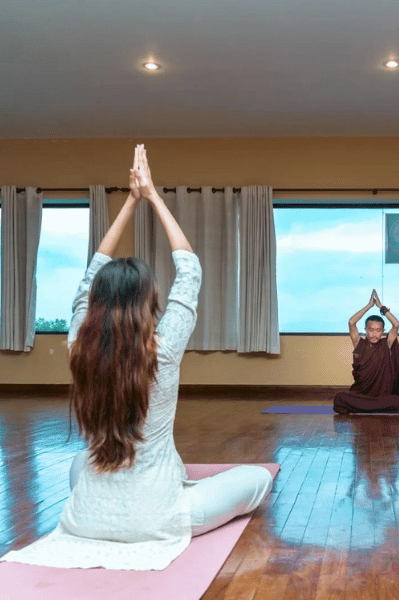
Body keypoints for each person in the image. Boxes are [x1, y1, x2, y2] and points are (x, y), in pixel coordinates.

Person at [0, 145, 272, 571]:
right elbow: (191, 271)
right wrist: (152, 196)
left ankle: (122, 501)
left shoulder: (79, 348)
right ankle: (168, 493)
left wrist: (128, 201)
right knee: (256, 479)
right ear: (149, 303)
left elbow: (89, 277)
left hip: (85, 519)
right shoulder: (162, 351)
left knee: (80, 461)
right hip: (159, 519)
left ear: (96, 305)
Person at [333, 289, 399, 414]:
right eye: (371, 330)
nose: (374, 334)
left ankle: (367, 407)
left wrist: (381, 307)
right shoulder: (358, 343)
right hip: (362, 396)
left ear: (383, 331)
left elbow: (396, 325)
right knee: (339, 398)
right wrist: (369, 305)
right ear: (365, 329)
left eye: (378, 331)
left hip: (382, 397)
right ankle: (373, 406)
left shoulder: (386, 343)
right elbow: (351, 322)